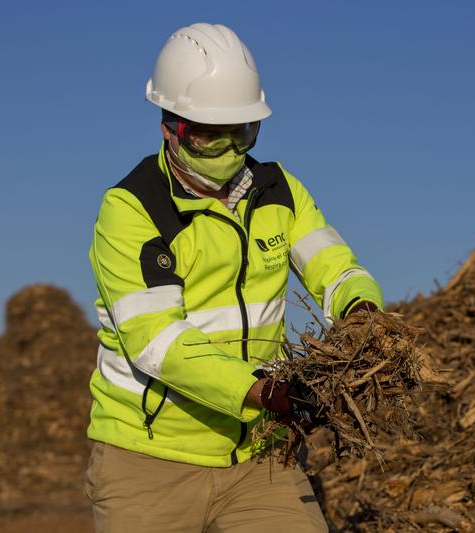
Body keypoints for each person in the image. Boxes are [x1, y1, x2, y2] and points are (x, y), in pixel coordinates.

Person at [85, 22, 383, 532]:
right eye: (207, 135)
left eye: (241, 132)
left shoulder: (280, 192)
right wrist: (267, 393)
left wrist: (362, 312)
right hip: (149, 460)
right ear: (169, 125)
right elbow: (159, 343)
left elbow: (333, 265)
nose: (227, 149)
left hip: (259, 455)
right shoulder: (131, 210)